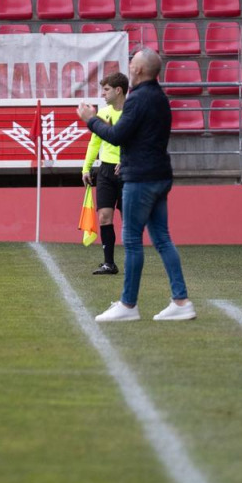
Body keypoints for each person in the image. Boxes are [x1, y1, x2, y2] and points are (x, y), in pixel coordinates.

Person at [79, 49, 196, 323]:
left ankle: (128, 304)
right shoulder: (160, 98)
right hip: (160, 176)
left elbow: (116, 135)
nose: (129, 67)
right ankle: (181, 300)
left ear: (140, 70)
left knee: (132, 241)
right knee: (162, 238)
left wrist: (90, 120)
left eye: (132, 64)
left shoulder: (138, 99)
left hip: (140, 178)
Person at [83, 71, 128, 276]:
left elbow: (139, 142)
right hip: (106, 171)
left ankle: (132, 262)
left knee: (129, 221)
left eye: (106, 89)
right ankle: (109, 263)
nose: (103, 94)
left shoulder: (131, 113)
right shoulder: (103, 113)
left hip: (127, 171)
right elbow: (94, 143)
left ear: (118, 90)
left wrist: (126, 160)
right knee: (104, 217)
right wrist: (86, 168)